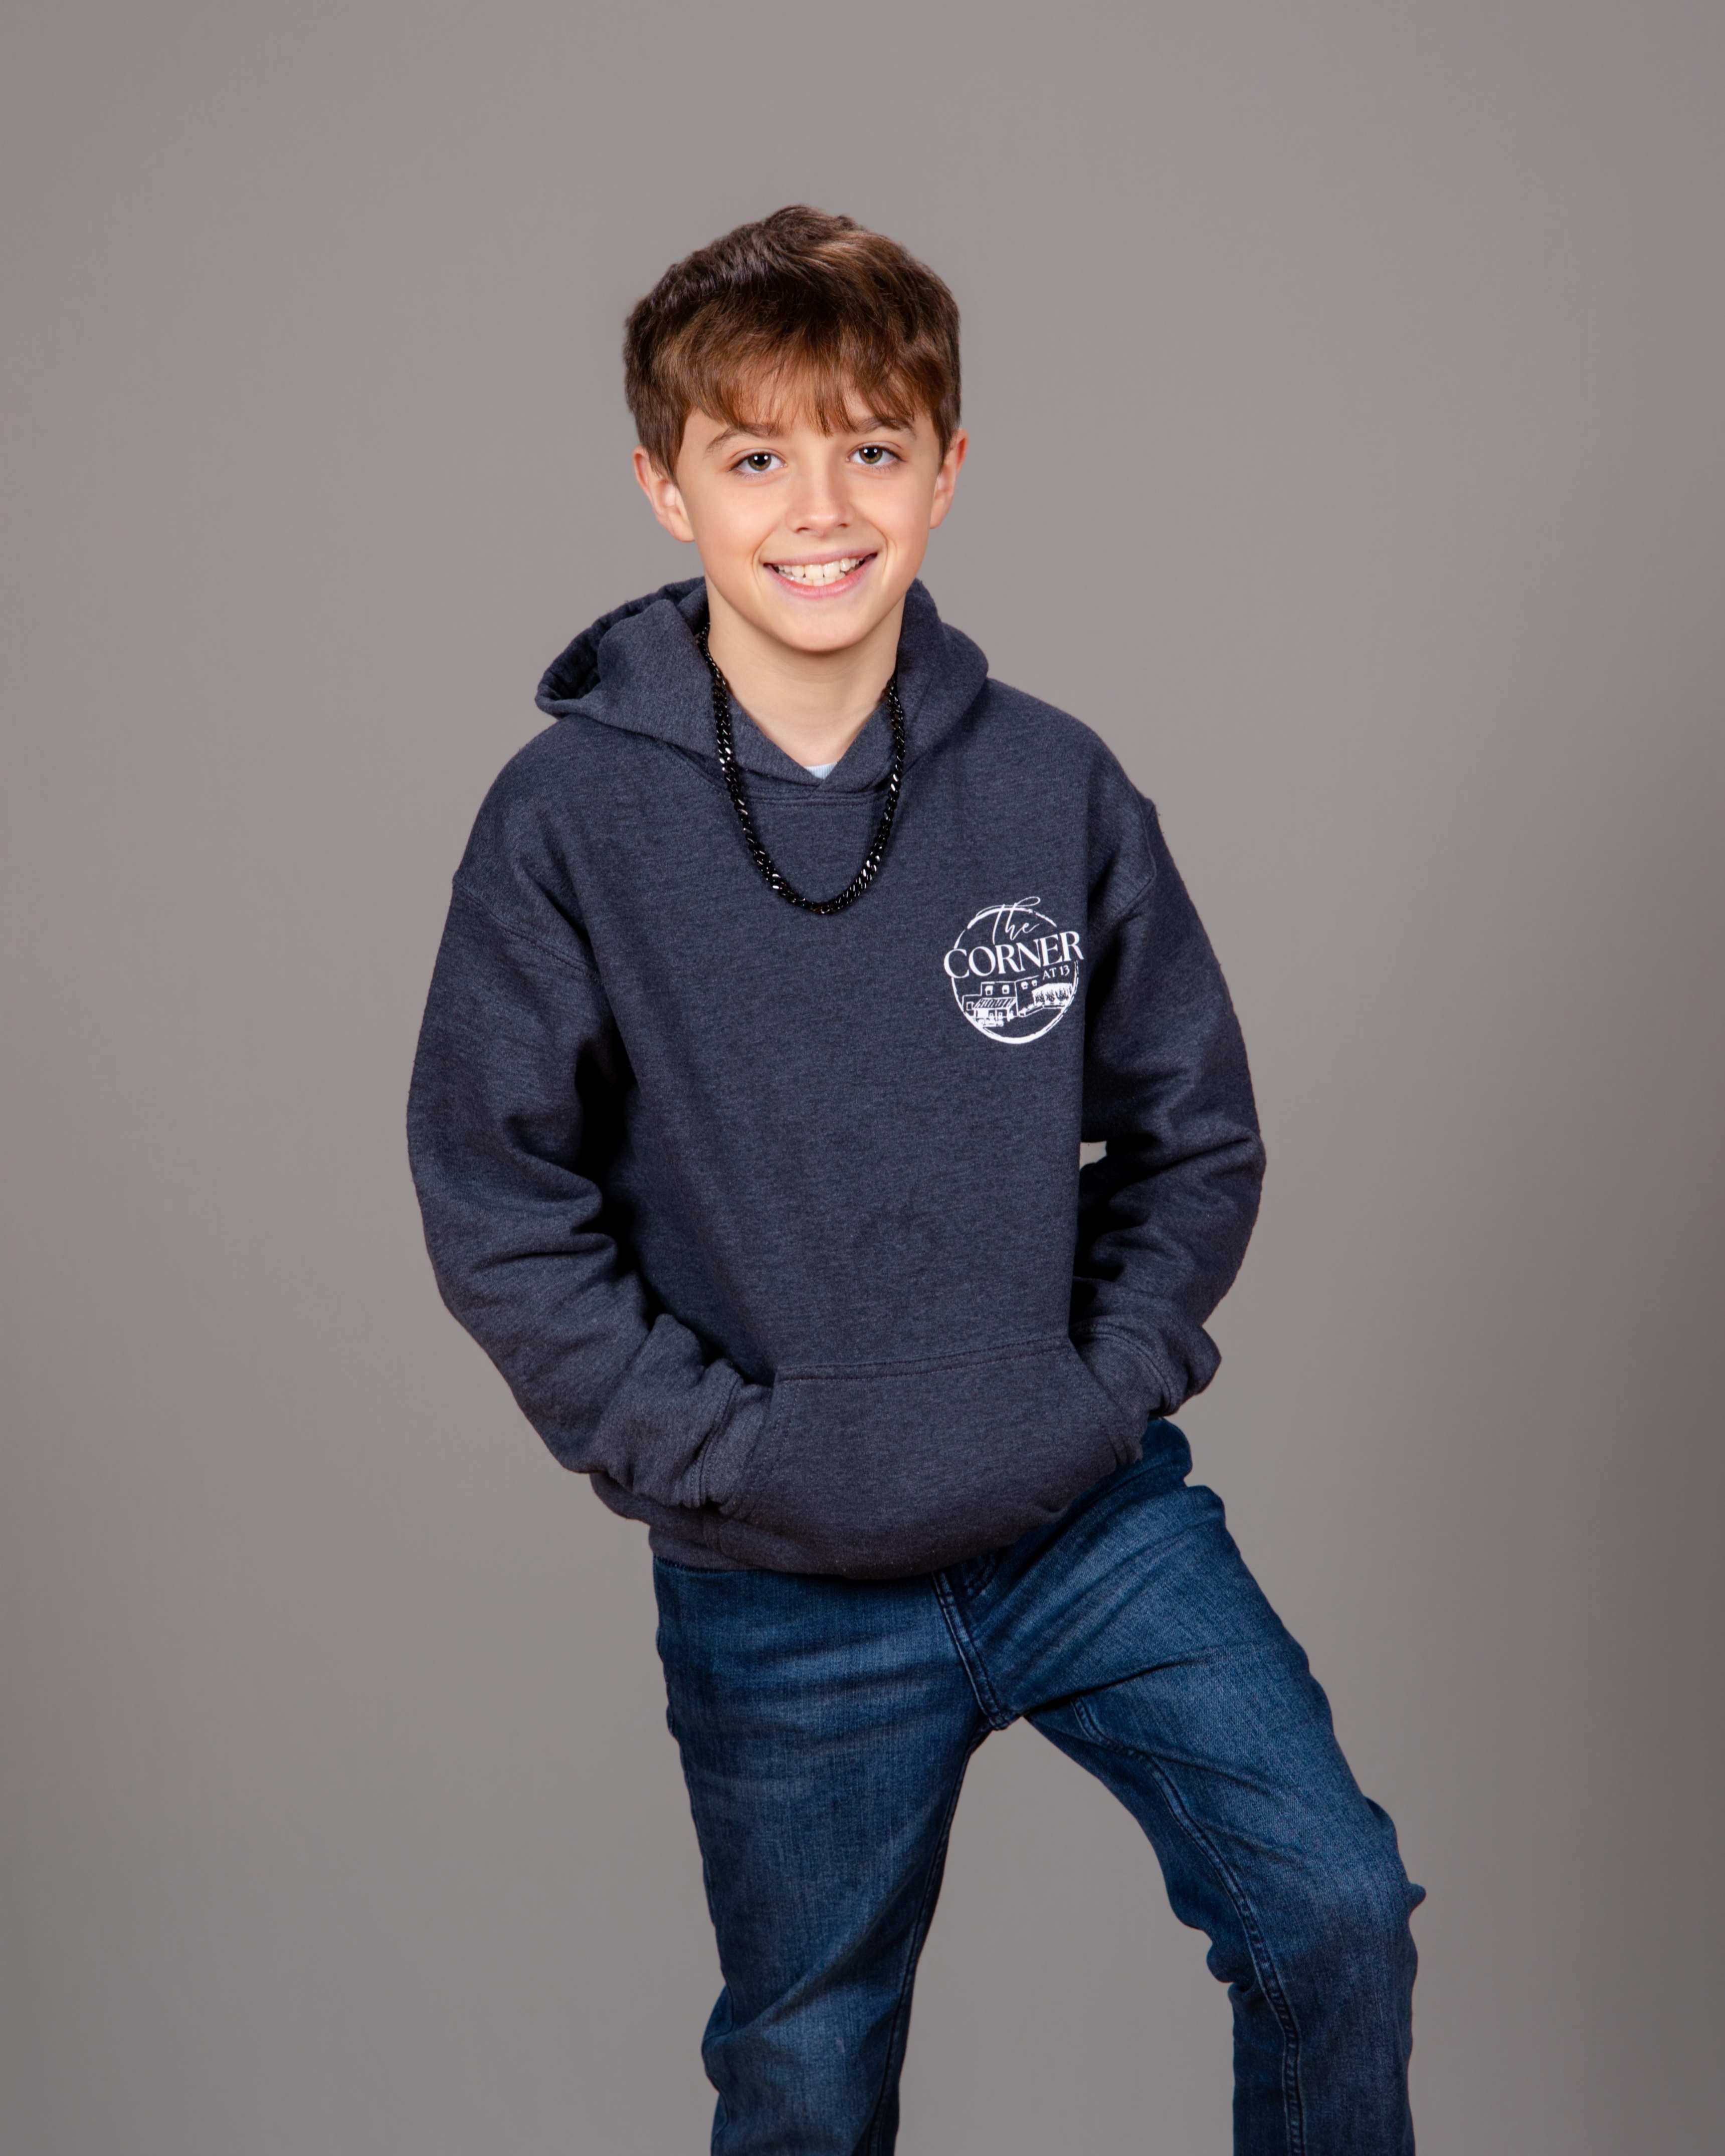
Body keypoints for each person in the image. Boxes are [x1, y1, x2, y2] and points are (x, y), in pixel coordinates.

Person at [407, 205, 1421, 2155]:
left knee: (1334, 1910)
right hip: (780, 1572)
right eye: (754, 457)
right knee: (807, 2070)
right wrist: (717, 1450)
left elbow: (1195, 1128)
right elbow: (497, 1192)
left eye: (871, 447)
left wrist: (1095, 1391)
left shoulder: (1051, 782)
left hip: (1084, 1519)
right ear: (663, 485)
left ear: (948, 471)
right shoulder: (568, 818)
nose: (821, 509)